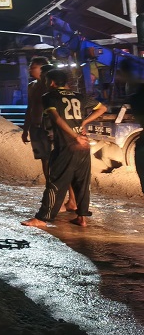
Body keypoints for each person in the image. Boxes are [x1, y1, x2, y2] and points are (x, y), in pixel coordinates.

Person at [21, 68, 105, 228]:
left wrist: (74, 137)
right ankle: (82, 217)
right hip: (84, 146)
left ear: (52, 82)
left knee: (55, 182)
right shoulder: (79, 96)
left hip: (67, 145)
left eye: (46, 82)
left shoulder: (49, 97)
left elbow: (56, 118)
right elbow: (102, 108)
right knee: (82, 182)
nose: (45, 84)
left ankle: (42, 218)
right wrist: (83, 123)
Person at [21, 57, 80, 211]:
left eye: (33, 66)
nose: (30, 69)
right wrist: (26, 129)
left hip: (51, 129)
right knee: (46, 164)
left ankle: (70, 199)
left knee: (59, 165)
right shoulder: (32, 86)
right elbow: (30, 107)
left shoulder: (52, 87)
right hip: (36, 128)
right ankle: (54, 196)